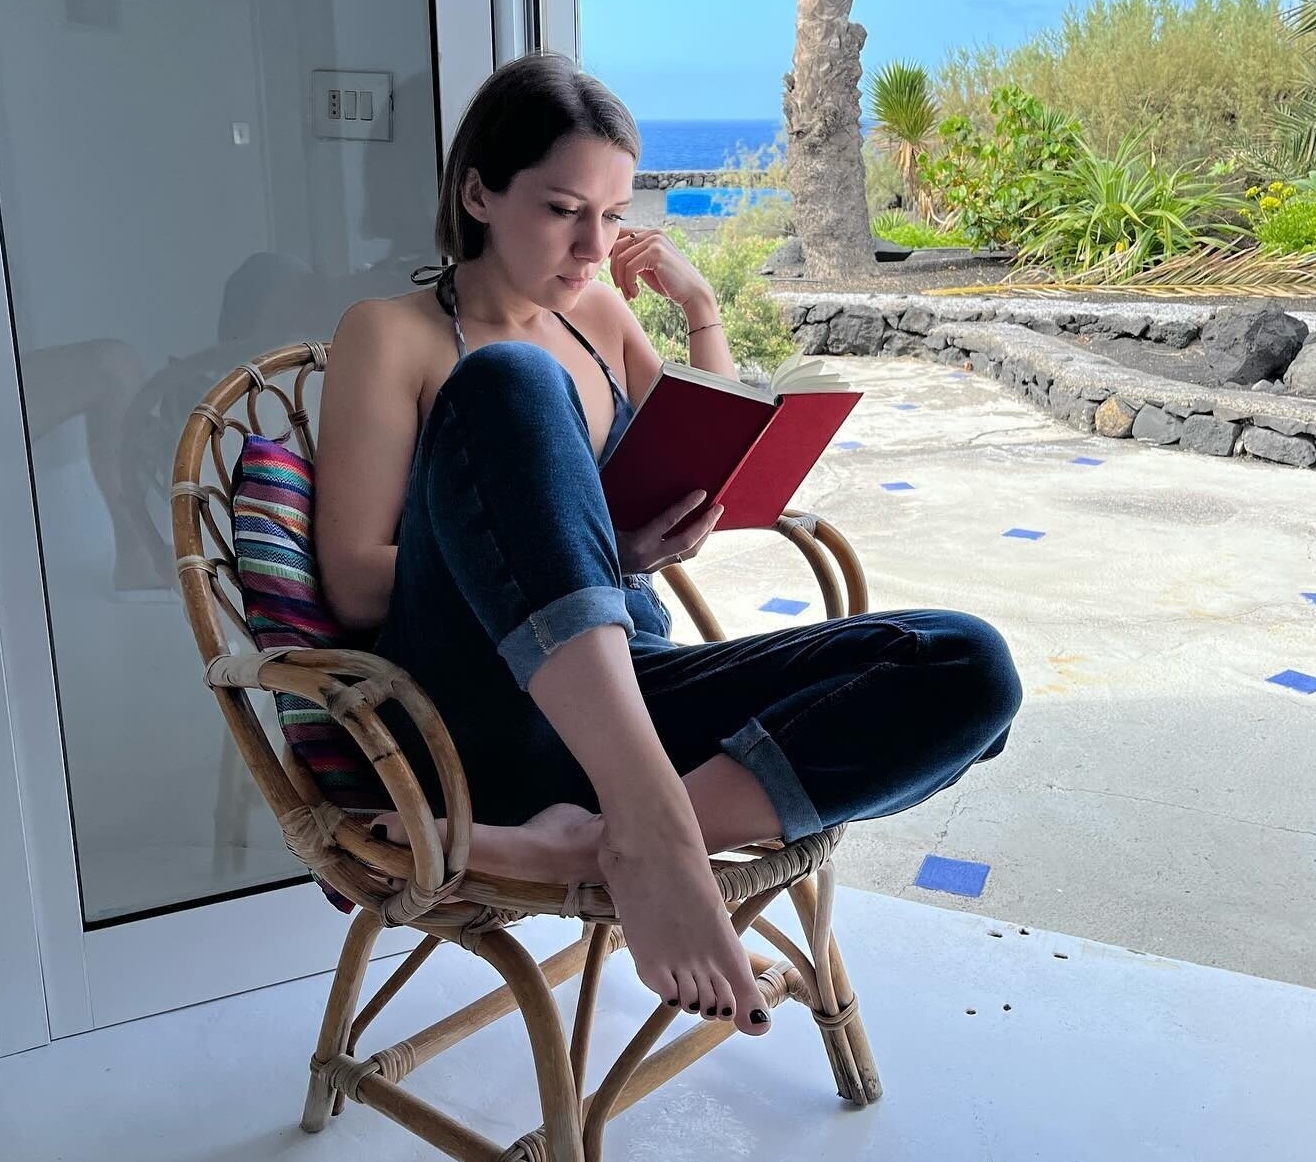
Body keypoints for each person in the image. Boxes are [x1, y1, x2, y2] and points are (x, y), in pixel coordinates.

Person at [313, 51, 1023, 1040]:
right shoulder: (389, 335)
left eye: (613, 215)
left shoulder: (601, 317)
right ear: (477, 194)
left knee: (967, 666)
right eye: (563, 210)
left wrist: (701, 312)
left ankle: (601, 841)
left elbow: (706, 441)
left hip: (628, 695)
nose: (592, 248)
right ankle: (656, 830)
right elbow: (355, 584)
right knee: (511, 382)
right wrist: (601, 547)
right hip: (478, 717)